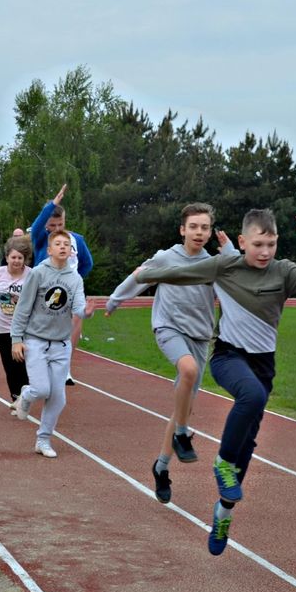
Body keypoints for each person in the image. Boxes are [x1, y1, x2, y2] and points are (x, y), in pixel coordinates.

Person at [135, 209, 296, 555]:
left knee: (249, 441)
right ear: (242, 242)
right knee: (252, 397)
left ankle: (223, 513)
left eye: (271, 244)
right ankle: (223, 462)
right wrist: (146, 273)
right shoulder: (225, 267)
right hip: (228, 357)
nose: (265, 251)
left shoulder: (283, 271)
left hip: (263, 364)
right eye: (258, 244)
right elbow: (182, 272)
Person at [106, 203, 237, 504]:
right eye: (194, 227)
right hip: (168, 328)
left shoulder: (214, 264)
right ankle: (182, 432)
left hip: (200, 337)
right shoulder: (167, 257)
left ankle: (161, 466)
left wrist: (230, 254)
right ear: (183, 230)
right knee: (188, 372)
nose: (200, 232)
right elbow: (140, 275)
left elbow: (238, 282)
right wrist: (115, 299)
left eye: (205, 227)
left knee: (183, 405)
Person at [9, 230, 94, 459]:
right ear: (49, 249)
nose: (63, 247)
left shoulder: (75, 278)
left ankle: (43, 439)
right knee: (41, 389)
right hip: (35, 340)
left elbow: (77, 308)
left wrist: (85, 312)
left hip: (61, 345)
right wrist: (16, 339)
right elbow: (23, 307)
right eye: (58, 243)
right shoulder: (38, 273)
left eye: (67, 244)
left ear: (71, 250)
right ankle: (26, 394)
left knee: (59, 398)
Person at [30, 184, 93, 385]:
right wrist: (51, 205)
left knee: (74, 322)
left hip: (70, 290)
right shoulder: (41, 239)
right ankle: (40, 362)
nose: (57, 229)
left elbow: (87, 263)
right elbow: (38, 224)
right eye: (52, 225)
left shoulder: (77, 240)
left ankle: (65, 368)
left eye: (60, 225)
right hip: (44, 290)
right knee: (45, 328)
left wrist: (75, 280)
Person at [0, 237, 32, 405]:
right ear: (7, 257)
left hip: (26, 328)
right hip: (2, 327)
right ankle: (16, 396)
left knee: (23, 363)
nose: (16, 261)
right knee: (9, 364)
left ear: (25, 259)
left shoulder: (32, 275)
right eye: (13, 257)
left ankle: (25, 393)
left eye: (20, 258)